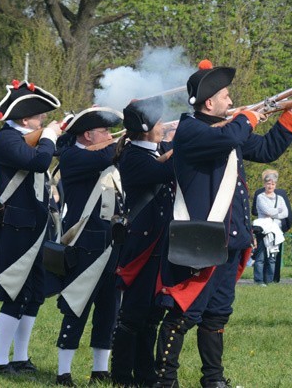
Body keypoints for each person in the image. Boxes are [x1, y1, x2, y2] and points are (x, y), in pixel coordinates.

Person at [153, 60, 292, 388]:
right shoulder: (192, 130)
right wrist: (249, 117)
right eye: (225, 96)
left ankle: (213, 379)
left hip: (229, 241)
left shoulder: (225, 132)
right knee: (184, 314)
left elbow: (266, 149)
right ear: (208, 103)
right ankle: (164, 381)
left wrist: (290, 118)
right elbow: (233, 135)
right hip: (203, 241)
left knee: (216, 315)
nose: (230, 100)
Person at [0, 79, 61, 375]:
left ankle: (21, 357)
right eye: (39, 116)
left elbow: (55, 150)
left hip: (36, 225)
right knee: (15, 292)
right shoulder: (7, 138)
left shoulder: (31, 137)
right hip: (16, 226)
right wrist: (50, 136)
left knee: (34, 293)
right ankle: (0, 360)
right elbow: (41, 160)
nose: (42, 120)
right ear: (25, 118)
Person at [53, 106, 124, 386]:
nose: (109, 135)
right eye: (104, 131)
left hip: (111, 240)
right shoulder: (72, 156)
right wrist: (127, 134)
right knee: (77, 305)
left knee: (109, 308)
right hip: (84, 242)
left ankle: (99, 369)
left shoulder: (101, 154)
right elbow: (109, 154)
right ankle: (63, 371)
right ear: (87, 134)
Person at [110, 96, 175, 386]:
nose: (163, 126)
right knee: (133, 316)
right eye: (159, 122)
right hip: (143, 247)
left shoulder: (150, 151)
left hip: (158, 245)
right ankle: (123, 375)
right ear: (147, 127)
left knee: (151, 316)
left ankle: (145, 374)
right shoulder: (135, 157)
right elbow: (169, 170)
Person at [252, 169, 290, 286]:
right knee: (261, 256)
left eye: (273, 184)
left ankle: (269, 281)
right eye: (268, 183)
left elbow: (286, 213)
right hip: (263, 230)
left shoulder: (280, 198)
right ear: (264, 184)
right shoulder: (260, 197)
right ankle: (259, 280)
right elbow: (266, 210)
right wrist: (277, 211)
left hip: (275, 231)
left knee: (272, 257)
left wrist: (273, 213)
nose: (270, 186)